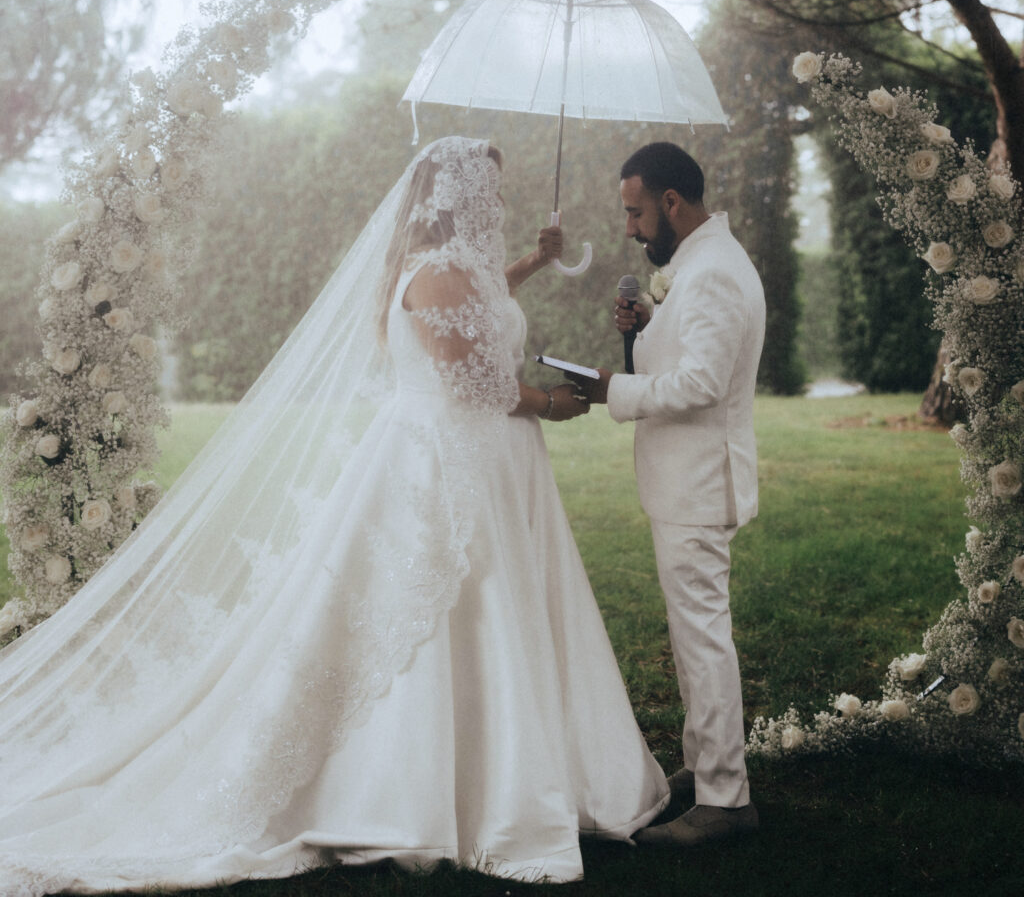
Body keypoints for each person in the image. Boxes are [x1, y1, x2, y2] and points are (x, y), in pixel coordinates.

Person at [0, 136, 667, 893]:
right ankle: (430, 787)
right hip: (442, 462)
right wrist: (548, 401)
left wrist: (533, 265)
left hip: (481, 460)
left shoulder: (450, 270)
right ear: (460, 199)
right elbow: (470, 380)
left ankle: (514, 767)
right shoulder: (435, 274)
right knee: (454, 612)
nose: (502, 204)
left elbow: (480, 310)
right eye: (493, 191)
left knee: (499, 609)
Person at [571, 141, 764, 848]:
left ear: (672, 203)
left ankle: (725, 801)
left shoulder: (711, 273)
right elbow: (695, 352)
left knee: (703, 641)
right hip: (686, 483)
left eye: (636, 212)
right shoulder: (703, 264)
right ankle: (705, 766)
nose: (630, 227)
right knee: (692, 639)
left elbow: (704, 383)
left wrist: (612, 390)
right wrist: (650, 328)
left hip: (698, 484)